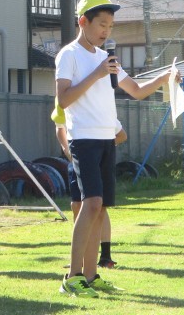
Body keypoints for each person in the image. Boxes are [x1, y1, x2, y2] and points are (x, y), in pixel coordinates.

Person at [56, 0, 179, 298]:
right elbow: (64, 99)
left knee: (100, 209)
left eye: (110, 26)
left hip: (106, 139)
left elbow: (135, 90)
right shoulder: (69, 55)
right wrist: (97, 73)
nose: (106, 31)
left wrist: (165, 77)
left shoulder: (106, 58)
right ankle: (71, 278)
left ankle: (91, 275)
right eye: (102, 24)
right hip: (83, 139)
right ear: (83, 22)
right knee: (91, 204)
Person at [52, 101, 126, 270]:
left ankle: (104, 256)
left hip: (93, 160)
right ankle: (79, 260)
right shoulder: (64, 102)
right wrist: (67, 149)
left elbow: (122, 135)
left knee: (98, 206)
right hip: (77, 158)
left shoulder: (98, 109)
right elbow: (59, 127)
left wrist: (100, 149)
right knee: (77, 205)